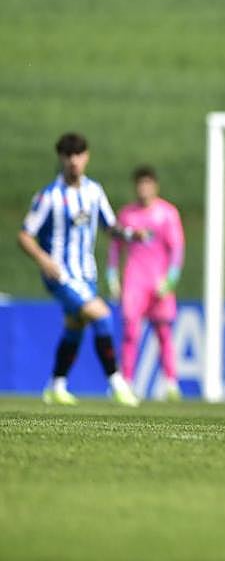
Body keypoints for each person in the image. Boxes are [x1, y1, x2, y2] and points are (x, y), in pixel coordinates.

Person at [18, 132, 141, 406]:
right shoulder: (49, 196)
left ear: (86, 157)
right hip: (61, 275)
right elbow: (25, 235)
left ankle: (56, 386)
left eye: (78, 155)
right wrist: (44, 260)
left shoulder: (94, 191)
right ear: (61, 158)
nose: (73, 161)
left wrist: (133, 235)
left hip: (87, 274)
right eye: (68, 155)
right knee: (103, 316)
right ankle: (116, 383)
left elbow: (110, 226)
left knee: (75, 328)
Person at [107, 165, 186, 401]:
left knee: (163, 332)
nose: (143, 188)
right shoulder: (127, 215)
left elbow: (177, 249)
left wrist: (171, 279)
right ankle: (127, 383)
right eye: (140, 183)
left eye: (147, 183)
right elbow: (115, 247)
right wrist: (113, 276)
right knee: (131, 332)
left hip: (159, 281)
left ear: (155, 185)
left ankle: (171, 383)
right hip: (134, 281)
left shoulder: (167, 214)